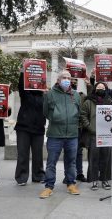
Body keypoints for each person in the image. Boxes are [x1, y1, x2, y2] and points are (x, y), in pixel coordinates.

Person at [39, 70, 81, 199]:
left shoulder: (76, 95)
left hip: (72, 134)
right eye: (64, 77)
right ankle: (49, 187)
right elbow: (45, 112)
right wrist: (56, 117)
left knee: (71, 162)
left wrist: (72, 120)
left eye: (68, 77)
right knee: (51, 162)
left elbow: (79, 111)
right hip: (55, 134)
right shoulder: (50, 94)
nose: (67, 79)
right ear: (58, 80)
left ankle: (71, 184)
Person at [80, 82, 112, 190]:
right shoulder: (88, 102)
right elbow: (83, 115)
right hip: (93, 134)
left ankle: (105, 180)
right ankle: (94, 180)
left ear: (106, 89)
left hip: (106, 135)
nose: (100, 89)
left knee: (106, 158)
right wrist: (90, 127)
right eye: (98, 87)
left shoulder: (109, 101)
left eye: (103, 87)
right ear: (94, 89)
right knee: (93, 158)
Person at [14, 71, 46, 186]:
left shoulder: (43, 96)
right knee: (23, 154)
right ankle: (21, 177)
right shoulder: (25, 94)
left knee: (38, 155)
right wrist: (24, 71)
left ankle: (38, 175)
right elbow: (21, 86)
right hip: (24, 128)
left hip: (38, 129)